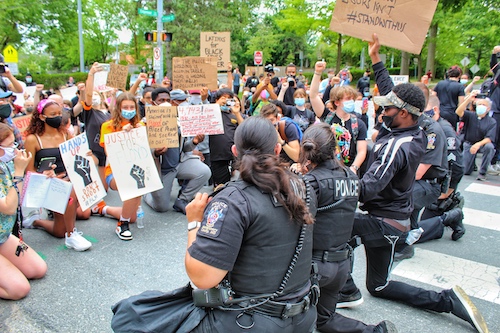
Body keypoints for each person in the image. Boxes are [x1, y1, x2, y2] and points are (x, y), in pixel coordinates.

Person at [339, 33, 489, 333]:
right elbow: (394, 93)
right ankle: (446, 300)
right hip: (394, 222)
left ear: (404, 114)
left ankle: (342, 289)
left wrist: (333, 180)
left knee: (333, 227)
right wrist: (376, 59)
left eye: (387, 109)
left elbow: (366, 189)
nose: (381, 112)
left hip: (384, 222)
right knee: (379, 287)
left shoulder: (399, 145)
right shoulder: (412, 126)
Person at [185, 116, 317, 332]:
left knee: (137, 316)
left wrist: (193, 223)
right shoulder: (305, 187)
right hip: (303, 314)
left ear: (234, 151)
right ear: (276, 150)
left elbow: (202, 277)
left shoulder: (231, 200)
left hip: (250, 320)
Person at [296, 123, 397, 333]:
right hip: (341, 267)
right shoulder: (351, 177)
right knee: (324, 320)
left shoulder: (310, 182)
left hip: (313, 268)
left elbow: (297, 224)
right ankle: (375, 331)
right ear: (334, 149)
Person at [23, 99, 92, 251]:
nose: (57, 117)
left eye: (59, 113)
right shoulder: (33, 139)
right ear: (42, 117)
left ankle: (59, 225)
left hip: (68, 178)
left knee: (65, 226)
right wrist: (45, 175)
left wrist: (86, 154)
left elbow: (76, 156)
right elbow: (29, 171)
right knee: (64, 224)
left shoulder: (65, 134)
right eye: (53, 114)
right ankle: (69, 233)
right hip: (48, 183)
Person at [143, 89, 211, 214]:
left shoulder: (179, 121)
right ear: (153, 104)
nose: (166, 103)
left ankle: (182, 199)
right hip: (161, 171)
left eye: (168, 100)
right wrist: (156, 153)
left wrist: (194, 142)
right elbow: (143, 153)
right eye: (161, 100)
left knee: (204, 171)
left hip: (179, 164)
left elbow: (185, 148)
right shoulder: (144, 124)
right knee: (161, 208)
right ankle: (147, 193)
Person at [0, 123, 47, 300]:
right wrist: (19, 171)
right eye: (9, 146)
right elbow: (8, 207)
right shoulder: (13, 166)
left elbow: (23, 192)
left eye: (14, 144)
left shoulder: (6, 164)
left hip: (2, 235)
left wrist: (45, 176)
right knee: (19, 289)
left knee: (38, 269)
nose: (14, 150)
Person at [310, 62, 368, 175]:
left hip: (348, 171)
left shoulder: (358, 124)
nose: (351, 101)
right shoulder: (327, 116)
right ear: (337, 102)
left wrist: (354, 168)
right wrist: (317, 73)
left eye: (352, 99)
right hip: (327, 171)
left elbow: (362, 150)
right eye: (347, 99)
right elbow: (313, 96)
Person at [99, 92, 143, 241]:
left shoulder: (140, 125)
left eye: (132, 107)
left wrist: (140, 133)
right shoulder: (108, 126)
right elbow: (108, 152)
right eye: (125, 107)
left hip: (136, 169)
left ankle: (103, 209)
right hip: (115, 172)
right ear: (118, 108)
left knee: (133, 217)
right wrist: (123, 137)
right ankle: (121, 224)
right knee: (133, 185)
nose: (129, 109)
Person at [456, 92, 497, 181]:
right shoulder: (470, 115)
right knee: (465, 171)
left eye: (483, 105)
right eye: (479, 104)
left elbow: (489, 138)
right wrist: (468, 100)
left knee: (490, 147)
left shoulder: (491, 121)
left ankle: (482, 172)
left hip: (482, 145)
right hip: (469, 143)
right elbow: (458, 111)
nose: (481, 106)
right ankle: (471, 165)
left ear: (488, 108)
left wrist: (478, 144)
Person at [209, 88, 244, 186]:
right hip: (218, 157)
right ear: (216, 100)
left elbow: (245, 129)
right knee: (221, 185)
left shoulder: (234, 116)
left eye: (229, 99)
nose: (225, 100)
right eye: (223, 98)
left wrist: (236, 112)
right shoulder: (211, 115)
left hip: (234, 156)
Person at [433, 65, 465, 130]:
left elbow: (433, 96)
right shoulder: (460, 86)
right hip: (452, 113)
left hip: (440, 111)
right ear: (459, 76)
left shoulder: (440, 83)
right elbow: (461, 103)